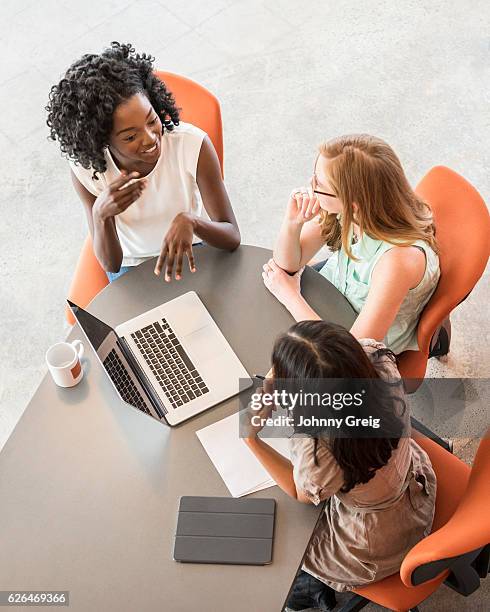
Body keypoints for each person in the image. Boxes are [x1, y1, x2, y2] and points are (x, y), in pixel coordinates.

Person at [244, 321, 436, 610]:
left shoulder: (322, 455)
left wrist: (251, 439)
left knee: (283, 537)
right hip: (415, 483)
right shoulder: (379, 362)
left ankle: (313, 584)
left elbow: (302, 494)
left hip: (375, 543)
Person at [46, 42, 240, 283]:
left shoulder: (191, 145)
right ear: (102, 139)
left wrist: (193, 222)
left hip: (191, 247)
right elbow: (111, 263)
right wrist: (101, 216)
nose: (150, 139)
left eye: (152, 120)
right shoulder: (89, 172)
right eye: (130, 136)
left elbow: (232, 237)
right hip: (131, 265)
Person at [262, 135, 440, 354]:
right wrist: (292, 223)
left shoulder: (397, 261)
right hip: (336, 297)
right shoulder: (350, 210)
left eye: (319, 184)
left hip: (358, 342)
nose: (311, 187)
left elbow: (350, 353)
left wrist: (291, 296)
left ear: (353, 204)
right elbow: (287, 264)